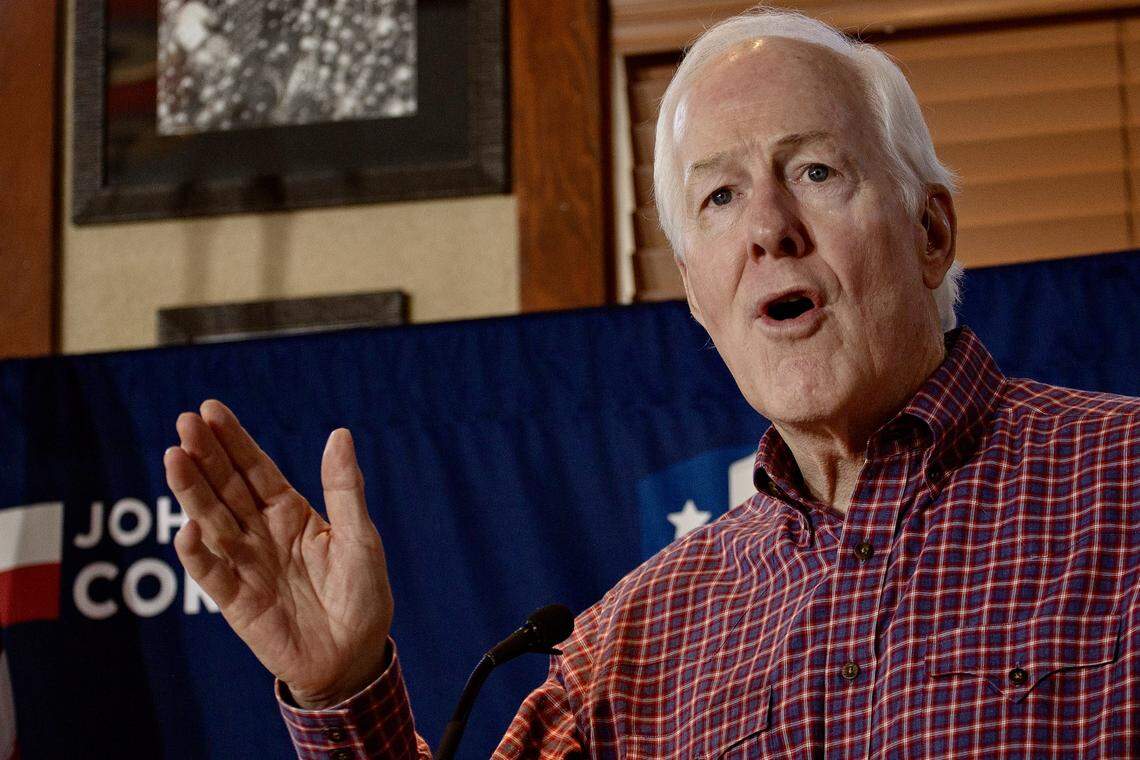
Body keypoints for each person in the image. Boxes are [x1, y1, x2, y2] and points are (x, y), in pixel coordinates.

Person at [163, 6, 1140, 758]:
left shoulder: (1124, 484)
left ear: (932, 232)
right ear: (699, 302)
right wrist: (344, 690)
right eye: (718, 196)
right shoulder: (623, 647)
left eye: (813, 171)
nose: (766, 229)